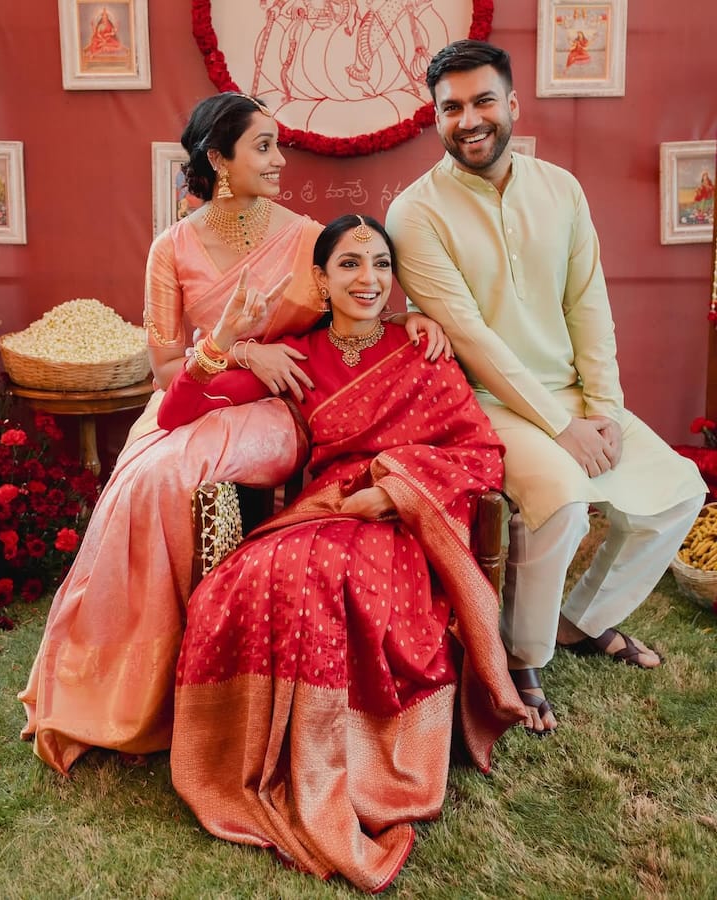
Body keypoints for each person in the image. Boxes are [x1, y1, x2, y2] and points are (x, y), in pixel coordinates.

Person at [19, 92, 442, 775]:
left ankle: (177, 685)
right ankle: (130, 682)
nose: (280, 160)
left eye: (278, 145)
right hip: (191, 398)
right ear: (218, 159)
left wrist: (418, 315)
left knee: (158, 476)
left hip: (276, 412)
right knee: (142, 474)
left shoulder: (306, 237)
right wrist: (244, 349)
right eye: (264, 147)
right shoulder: (171, 249)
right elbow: (163, 369)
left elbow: (365, 290)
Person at [157, 213, 525, 891]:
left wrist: (396, 494)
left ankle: (343, 759)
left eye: (381, 264)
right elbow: (176, 412)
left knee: (329, 573)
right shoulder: (294, 355)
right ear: (321, 280)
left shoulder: (422, 353)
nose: (369, 278)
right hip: (318, 509)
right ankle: (255, 754)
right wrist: (233, 344)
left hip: (397, 522)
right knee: (247, 578)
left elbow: (479, 454)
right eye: (350, 264)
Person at [385, 40, 706, 735]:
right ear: (434, 117)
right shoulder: (416, 213)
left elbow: (587, 305)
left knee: (680, 492)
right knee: (560, 500)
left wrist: (605, 411)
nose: (468, 120)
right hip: (485, 404)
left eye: (482, 102)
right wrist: (561, 430)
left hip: (571, 399)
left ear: (513, 104)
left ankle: (576, 621)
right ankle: (522, 656)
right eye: (451, 108)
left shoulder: (561, 188)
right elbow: (470, 337)